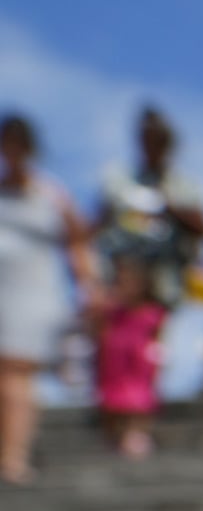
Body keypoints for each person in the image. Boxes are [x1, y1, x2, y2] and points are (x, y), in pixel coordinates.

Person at [0, 114, 97, 483]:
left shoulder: (52, 194)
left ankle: (13, 457)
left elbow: (77, 243)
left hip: (34, 293)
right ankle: (12, 450)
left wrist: (88, 285)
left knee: (16, 370)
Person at [94, 106, 203, 315]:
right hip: (122, 285)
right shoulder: (119, 181)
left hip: (168, 287)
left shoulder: (184, 185)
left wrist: (169, 206)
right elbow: (98, 226)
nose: (152, 147)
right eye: (147, 140)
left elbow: (202, 228)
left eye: (158, 141)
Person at [90, 257, 166, 459]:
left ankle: (137, 434)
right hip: (115, 363)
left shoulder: (152, 313)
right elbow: (98, 331)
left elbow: (159, 339)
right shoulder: (111, 312)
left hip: (139, 365)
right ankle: (117, 436)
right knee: (114, 399)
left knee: (139, 399)